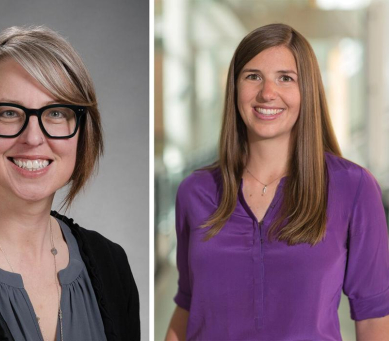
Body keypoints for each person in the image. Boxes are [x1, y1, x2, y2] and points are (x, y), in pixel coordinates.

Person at [0, 26, 140, 341]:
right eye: (8, 113)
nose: (33, 138)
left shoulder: (112, 264)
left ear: (81, 135)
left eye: (56, 113)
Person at [166, 23, 389, 340]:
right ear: (235, 88)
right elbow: (187, 304)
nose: (267, 93)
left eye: (285, 78)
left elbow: (373, 318)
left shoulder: (353, 188)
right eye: (253, 76)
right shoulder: (195, 191)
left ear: (306, 91)